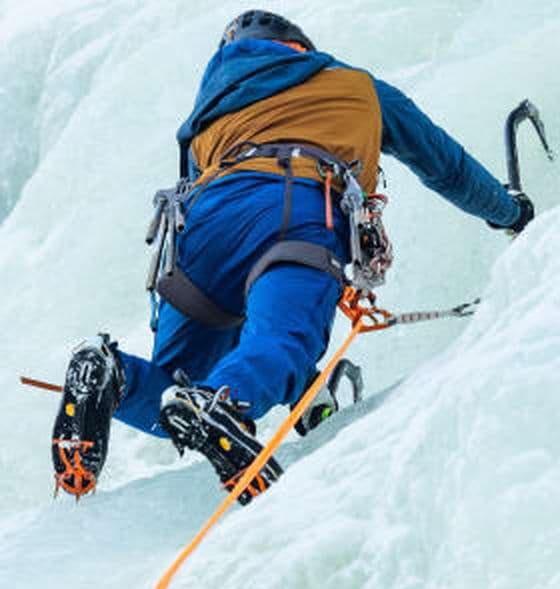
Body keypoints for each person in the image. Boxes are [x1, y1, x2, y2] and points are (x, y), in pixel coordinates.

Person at [50, 10, 534, 504]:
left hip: (196, 232)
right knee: (280, 342)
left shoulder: (208, 114)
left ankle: (111, 371)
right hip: (296, 207)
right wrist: (511, 212)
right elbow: (445, 166)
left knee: (180, 391)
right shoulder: (356, 87)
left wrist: (303, 390)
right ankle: (228, 402)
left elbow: (224, 239)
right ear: (297, 48)